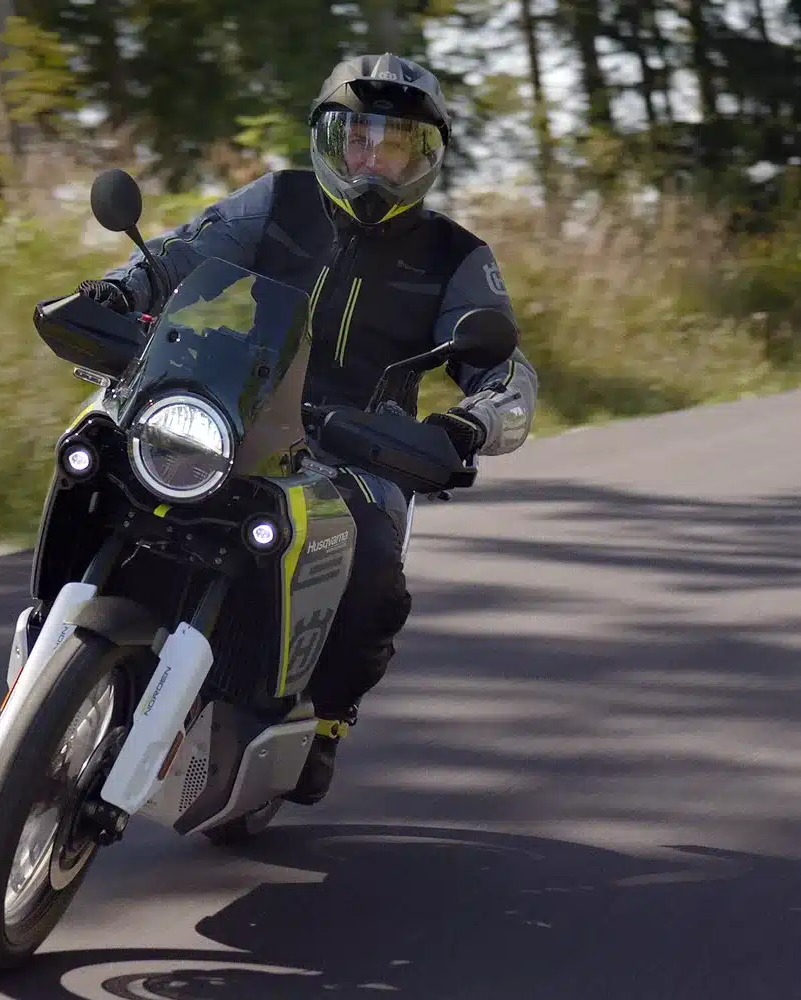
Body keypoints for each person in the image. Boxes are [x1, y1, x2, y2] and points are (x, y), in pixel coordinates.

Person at [75, 53, 539, 804]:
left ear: (423, 157)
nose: (370, 159)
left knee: (374, 565)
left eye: (393, 145)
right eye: (356, 138)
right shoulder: (277, 200)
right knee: (105, 458)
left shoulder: (457, 257)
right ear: (329, 140)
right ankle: (71, 636)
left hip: (360, 450)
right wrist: (121, 289)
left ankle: (325, 719)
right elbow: (181, 254)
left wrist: (467, 425)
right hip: (237, 411)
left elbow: (506, 371)